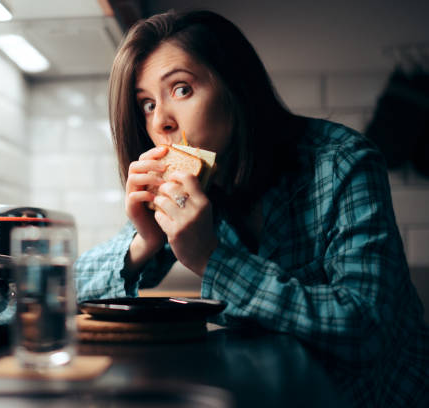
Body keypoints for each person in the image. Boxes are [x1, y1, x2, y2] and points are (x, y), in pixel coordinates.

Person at [74, 9, 428, 408]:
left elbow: (365, 330)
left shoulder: (343, 162)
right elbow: (68, 290)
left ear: (235, 86)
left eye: (182, 89)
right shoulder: (194, 181)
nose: (162, 123)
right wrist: (145, 241)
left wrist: (211, 259)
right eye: (147, 104)